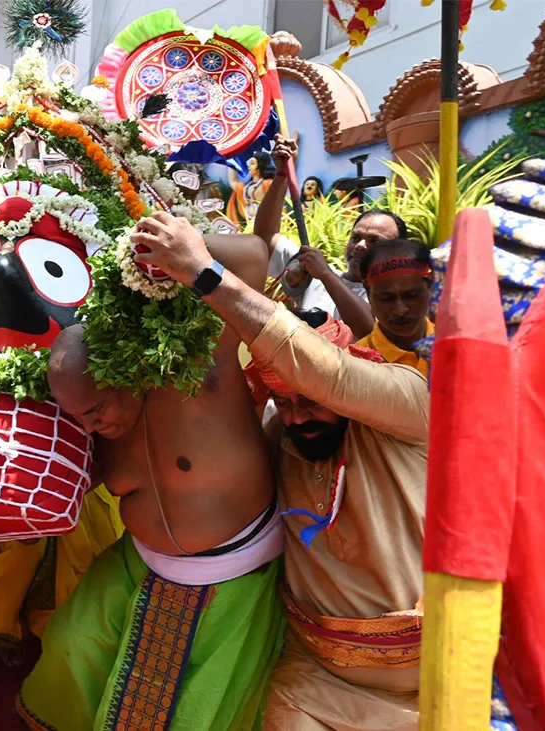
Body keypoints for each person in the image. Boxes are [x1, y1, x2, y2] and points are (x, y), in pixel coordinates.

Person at [127, 210, 428, 731]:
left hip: (429, 675)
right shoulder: (285, 439)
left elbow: (323, 373)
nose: (297, 416)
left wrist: (203, 271)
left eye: (308, 402)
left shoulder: (407, 400)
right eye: (282, 403)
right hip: (315, 674)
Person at [17, 230, 286, 730]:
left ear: (124, 371)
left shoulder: (196, 368)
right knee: (69, 650)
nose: (90, 427)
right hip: (139, 565)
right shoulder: (94, 431)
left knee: (200, 715)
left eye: (96, 409)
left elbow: (253, 256)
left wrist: (142, 244)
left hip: (236, 573)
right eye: (78, 417)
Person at [254, 136, 409, 338]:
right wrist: (282, 174)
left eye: (375, 242)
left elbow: (367, 331)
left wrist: (327, 275)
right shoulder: (312, 275)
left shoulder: (400, 298)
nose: (361, 246)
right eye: (356, 238)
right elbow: (265, 238)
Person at [355, 238, 434, 377]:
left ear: (430, 287)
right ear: (368, 294)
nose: (400, 310)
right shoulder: (354, 366)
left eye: (412, 295)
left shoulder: (460, 348)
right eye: (386, 298)